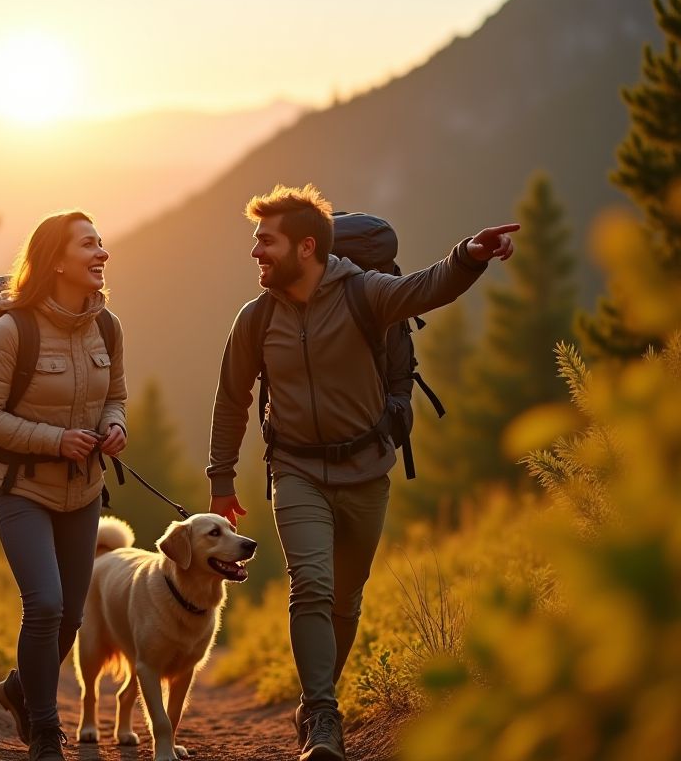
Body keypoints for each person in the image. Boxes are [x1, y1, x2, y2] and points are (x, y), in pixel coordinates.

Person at [207, 184, 515, 761]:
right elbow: (231, 399)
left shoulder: (363, 294)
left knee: (346, 601)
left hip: (367, 469)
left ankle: (311, 701)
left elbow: (425, 288)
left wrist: (468, 256)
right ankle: (323, 716)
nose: (255, 253)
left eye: (265, 242)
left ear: (305, 248)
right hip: (295, 469)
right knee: (313, 585)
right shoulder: (256, 319)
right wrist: (221, 479)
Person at [0, 210, 128, 761]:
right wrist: (53, 440)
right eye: (89, 245)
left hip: (83, 493)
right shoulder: (11, 330)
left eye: (102, 243)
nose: (102, 253)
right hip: (21, 488)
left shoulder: (107, 325)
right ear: (57, 260)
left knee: (73, 616)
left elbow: (117, 394)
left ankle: (18, 688)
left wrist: (115, 425)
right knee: (45, 605)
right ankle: (43, 730)